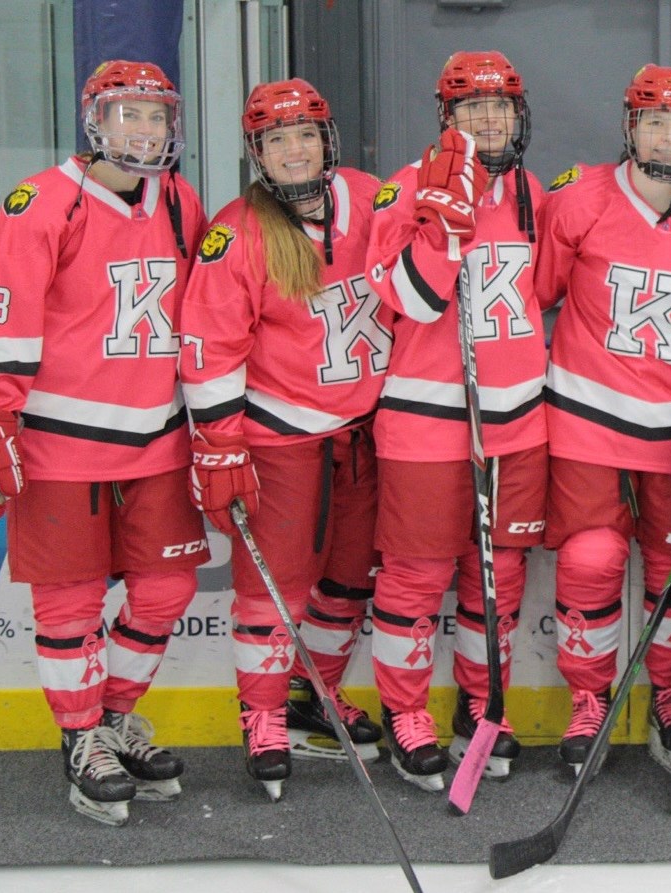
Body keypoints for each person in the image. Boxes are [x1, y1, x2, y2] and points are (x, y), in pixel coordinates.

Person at [0, 60, 206, 826]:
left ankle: (111, 718)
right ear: (95, 123)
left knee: (167, 591)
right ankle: (79, 737)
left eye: (156, 116)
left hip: (158, 440)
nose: (145, 129)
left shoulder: (180, 201)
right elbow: (9, 321)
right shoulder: (42, 205)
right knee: (70, 605)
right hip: (62, 444)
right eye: (128, 114)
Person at [534, 64, 671, 773]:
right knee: (590, 559)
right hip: (587, 418)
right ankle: (588, 698)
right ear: (629, 126)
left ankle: (669, 694)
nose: (668, 135)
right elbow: (534, 294)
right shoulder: (578, 197)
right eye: (655, 121)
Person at [178, 79, 390, 801]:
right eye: (276, 140)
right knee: (273, 593)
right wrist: (220, 444)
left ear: (327, 140)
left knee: (349, 582)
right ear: (257, 153)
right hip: (279, 442)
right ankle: (261, 714)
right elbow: (208, 349)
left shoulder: (369, 196)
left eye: (304, 134)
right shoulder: (235, 232)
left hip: (361, 435)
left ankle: (314, 695)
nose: (293, 150)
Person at [364, 50, 548, 791]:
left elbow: (548, 294)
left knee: (497, 579)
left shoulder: (535, 192)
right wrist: (441, 226)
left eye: (499, 105)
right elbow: (408, 299)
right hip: (424, 420)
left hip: (516, 424)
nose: (488, 118)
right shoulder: (402, 189)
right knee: (414, 577)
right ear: (446, 118)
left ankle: (483, 707)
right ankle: (407, 713)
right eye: (471, 107)